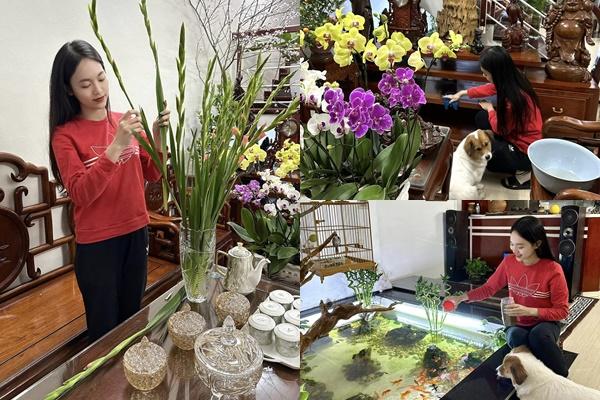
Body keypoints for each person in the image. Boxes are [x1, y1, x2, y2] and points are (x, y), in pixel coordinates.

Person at [49, 40, 170, 341]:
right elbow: (80, 193)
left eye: (101, 78)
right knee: (103, 330)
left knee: (132, 319)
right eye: (85, 84)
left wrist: (157, 136)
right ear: (69, 90)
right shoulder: (65, 135)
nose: (98, 90)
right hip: (98, 244)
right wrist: (116, 145)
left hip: (136, 232)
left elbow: (153, 173)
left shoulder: (124, 122)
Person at [444, 216, 569, 377]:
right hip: (517, 323)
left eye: (520, 246)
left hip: (544, 323)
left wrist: (530, 311)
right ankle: (531, 375)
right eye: (512, 244)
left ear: (537, 244)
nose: (514, 250)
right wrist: (460, 298)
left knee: (538, 336)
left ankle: (562, 376)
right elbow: (489, 288)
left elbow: (562, 311)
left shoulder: (553, 269)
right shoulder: (509, 262)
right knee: (517, 336)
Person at [445, 46, 543, 190]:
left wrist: (491, 109)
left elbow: (501, 130)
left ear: (497, 74)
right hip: (515, 132)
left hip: (525, 151)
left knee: (490, 159)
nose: (484, 76)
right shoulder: (513, 77)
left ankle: (525, 172)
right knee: (481, 117)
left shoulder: (513, 102)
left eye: (485, 73)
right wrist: (462, 93)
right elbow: (490, 87)